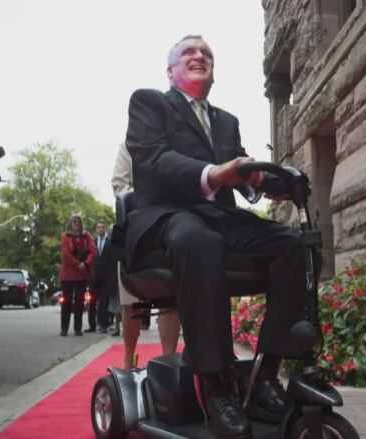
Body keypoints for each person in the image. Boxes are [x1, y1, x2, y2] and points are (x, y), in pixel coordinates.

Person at [122, 35, 305, 438]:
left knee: (293, 245)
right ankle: (216, 384)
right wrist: (214, 173)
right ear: (170, 71)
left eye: (207, 53)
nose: (200, 56)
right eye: (189, 52)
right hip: (167, 216)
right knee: (202, 242)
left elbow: (242, 177)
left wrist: (265, 184)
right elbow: (155, 160)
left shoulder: (227, 121)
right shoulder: (149, 103)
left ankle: (263, 376)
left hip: (220, 217)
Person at [112, 142, 181, 356]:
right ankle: (128, 356)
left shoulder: (174, 142)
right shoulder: (129, 145)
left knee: (172, 295)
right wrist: (147, 198)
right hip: (137, 223)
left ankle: (168, 357)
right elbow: (119, 184)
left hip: (170, 223)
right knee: (130, 302)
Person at [59, 213, 97, 336]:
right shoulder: (65, 236)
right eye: (74, 221)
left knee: (80, 302)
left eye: (78, 221)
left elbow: (93, 252)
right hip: (68, 274)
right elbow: (66, 254)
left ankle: (78, 328)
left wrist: (85, 264)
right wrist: (78, 264)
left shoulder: (87, 236)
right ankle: (64, 328)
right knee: (67, 302)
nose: (76, 223)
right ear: (70, 223)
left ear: (81, 224)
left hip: (82, 273)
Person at [87, 221, 111, 333]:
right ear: (96, 229)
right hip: (93, 277)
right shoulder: (92, 242)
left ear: (105, 229)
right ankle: (92, 326)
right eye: (98, 227)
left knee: (103, 302)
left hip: (105, 277)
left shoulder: (109, 242)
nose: (100, 229)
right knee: (91, 302)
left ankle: (104, 324)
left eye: (102, 227)